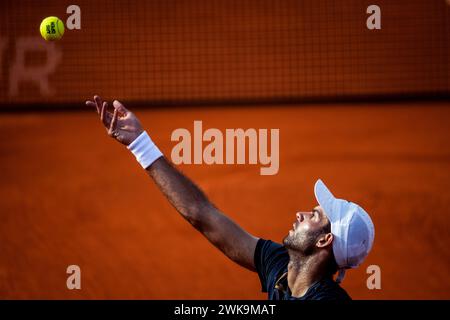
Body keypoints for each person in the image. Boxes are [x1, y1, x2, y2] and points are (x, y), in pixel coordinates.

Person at [85, 95, 375, 300]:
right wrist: (139, 143)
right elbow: (202, 214)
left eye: (315, 216)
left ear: (325, 240)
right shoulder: (278, 265)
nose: (301, 214)